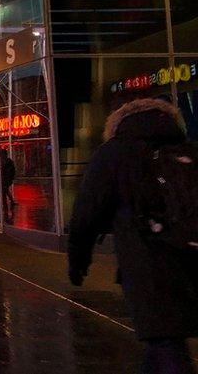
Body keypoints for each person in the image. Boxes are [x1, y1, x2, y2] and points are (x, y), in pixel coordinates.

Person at [68, 98, 198, 373]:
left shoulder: (114, 153)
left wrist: (79, 259)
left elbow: (86, 212)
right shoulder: (188, 151)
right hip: (191, 255)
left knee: (164, 340)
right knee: (165, 339)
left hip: (148, 261)